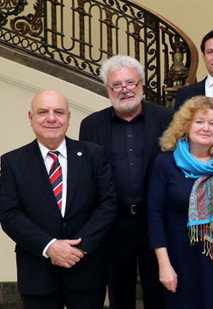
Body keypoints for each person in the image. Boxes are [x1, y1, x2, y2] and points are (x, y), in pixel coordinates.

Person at [0, 90, 117, 309]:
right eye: (43, 112)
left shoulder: (94, 155)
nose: (51, 118)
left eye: (59, 112)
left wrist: (78, 249)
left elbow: (107, 205)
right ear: (31, 117)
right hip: (37, 273)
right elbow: (9, 215)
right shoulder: (12, 162)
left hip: (86, 270)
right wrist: (50, 246)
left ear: (69, 118)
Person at [79, 55, 174, 309]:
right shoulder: (90, 126)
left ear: (142, 85)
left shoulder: (168, 119)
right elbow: (87, 179)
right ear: (107, 90)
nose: (125, 90)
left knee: (160, 294)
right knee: (120, 296)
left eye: (130, 83)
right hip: (114, 224)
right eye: (117, 85)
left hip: (157, 221)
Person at [147, 96, 213, 308]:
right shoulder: (165, 162)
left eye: (212, 123)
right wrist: (164, 264)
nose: (206, 128)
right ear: (186, 125)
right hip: (178, 262)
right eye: (199, 122)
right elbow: (154, 215)